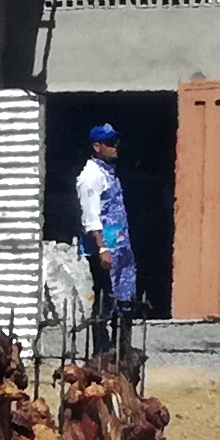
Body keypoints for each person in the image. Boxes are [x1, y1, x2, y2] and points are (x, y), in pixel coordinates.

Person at [74, 124, 136, 349]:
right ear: (97, 146)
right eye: (109, 144)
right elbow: (90, 217)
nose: (114, 148)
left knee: (124, 299)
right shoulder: (90, 177)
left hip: (120, 247)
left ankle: (123, 350)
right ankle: (103, 350)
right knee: (105, 299)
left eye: (115, 143)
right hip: (105, 249)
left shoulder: (108, 173)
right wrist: (102, 249)